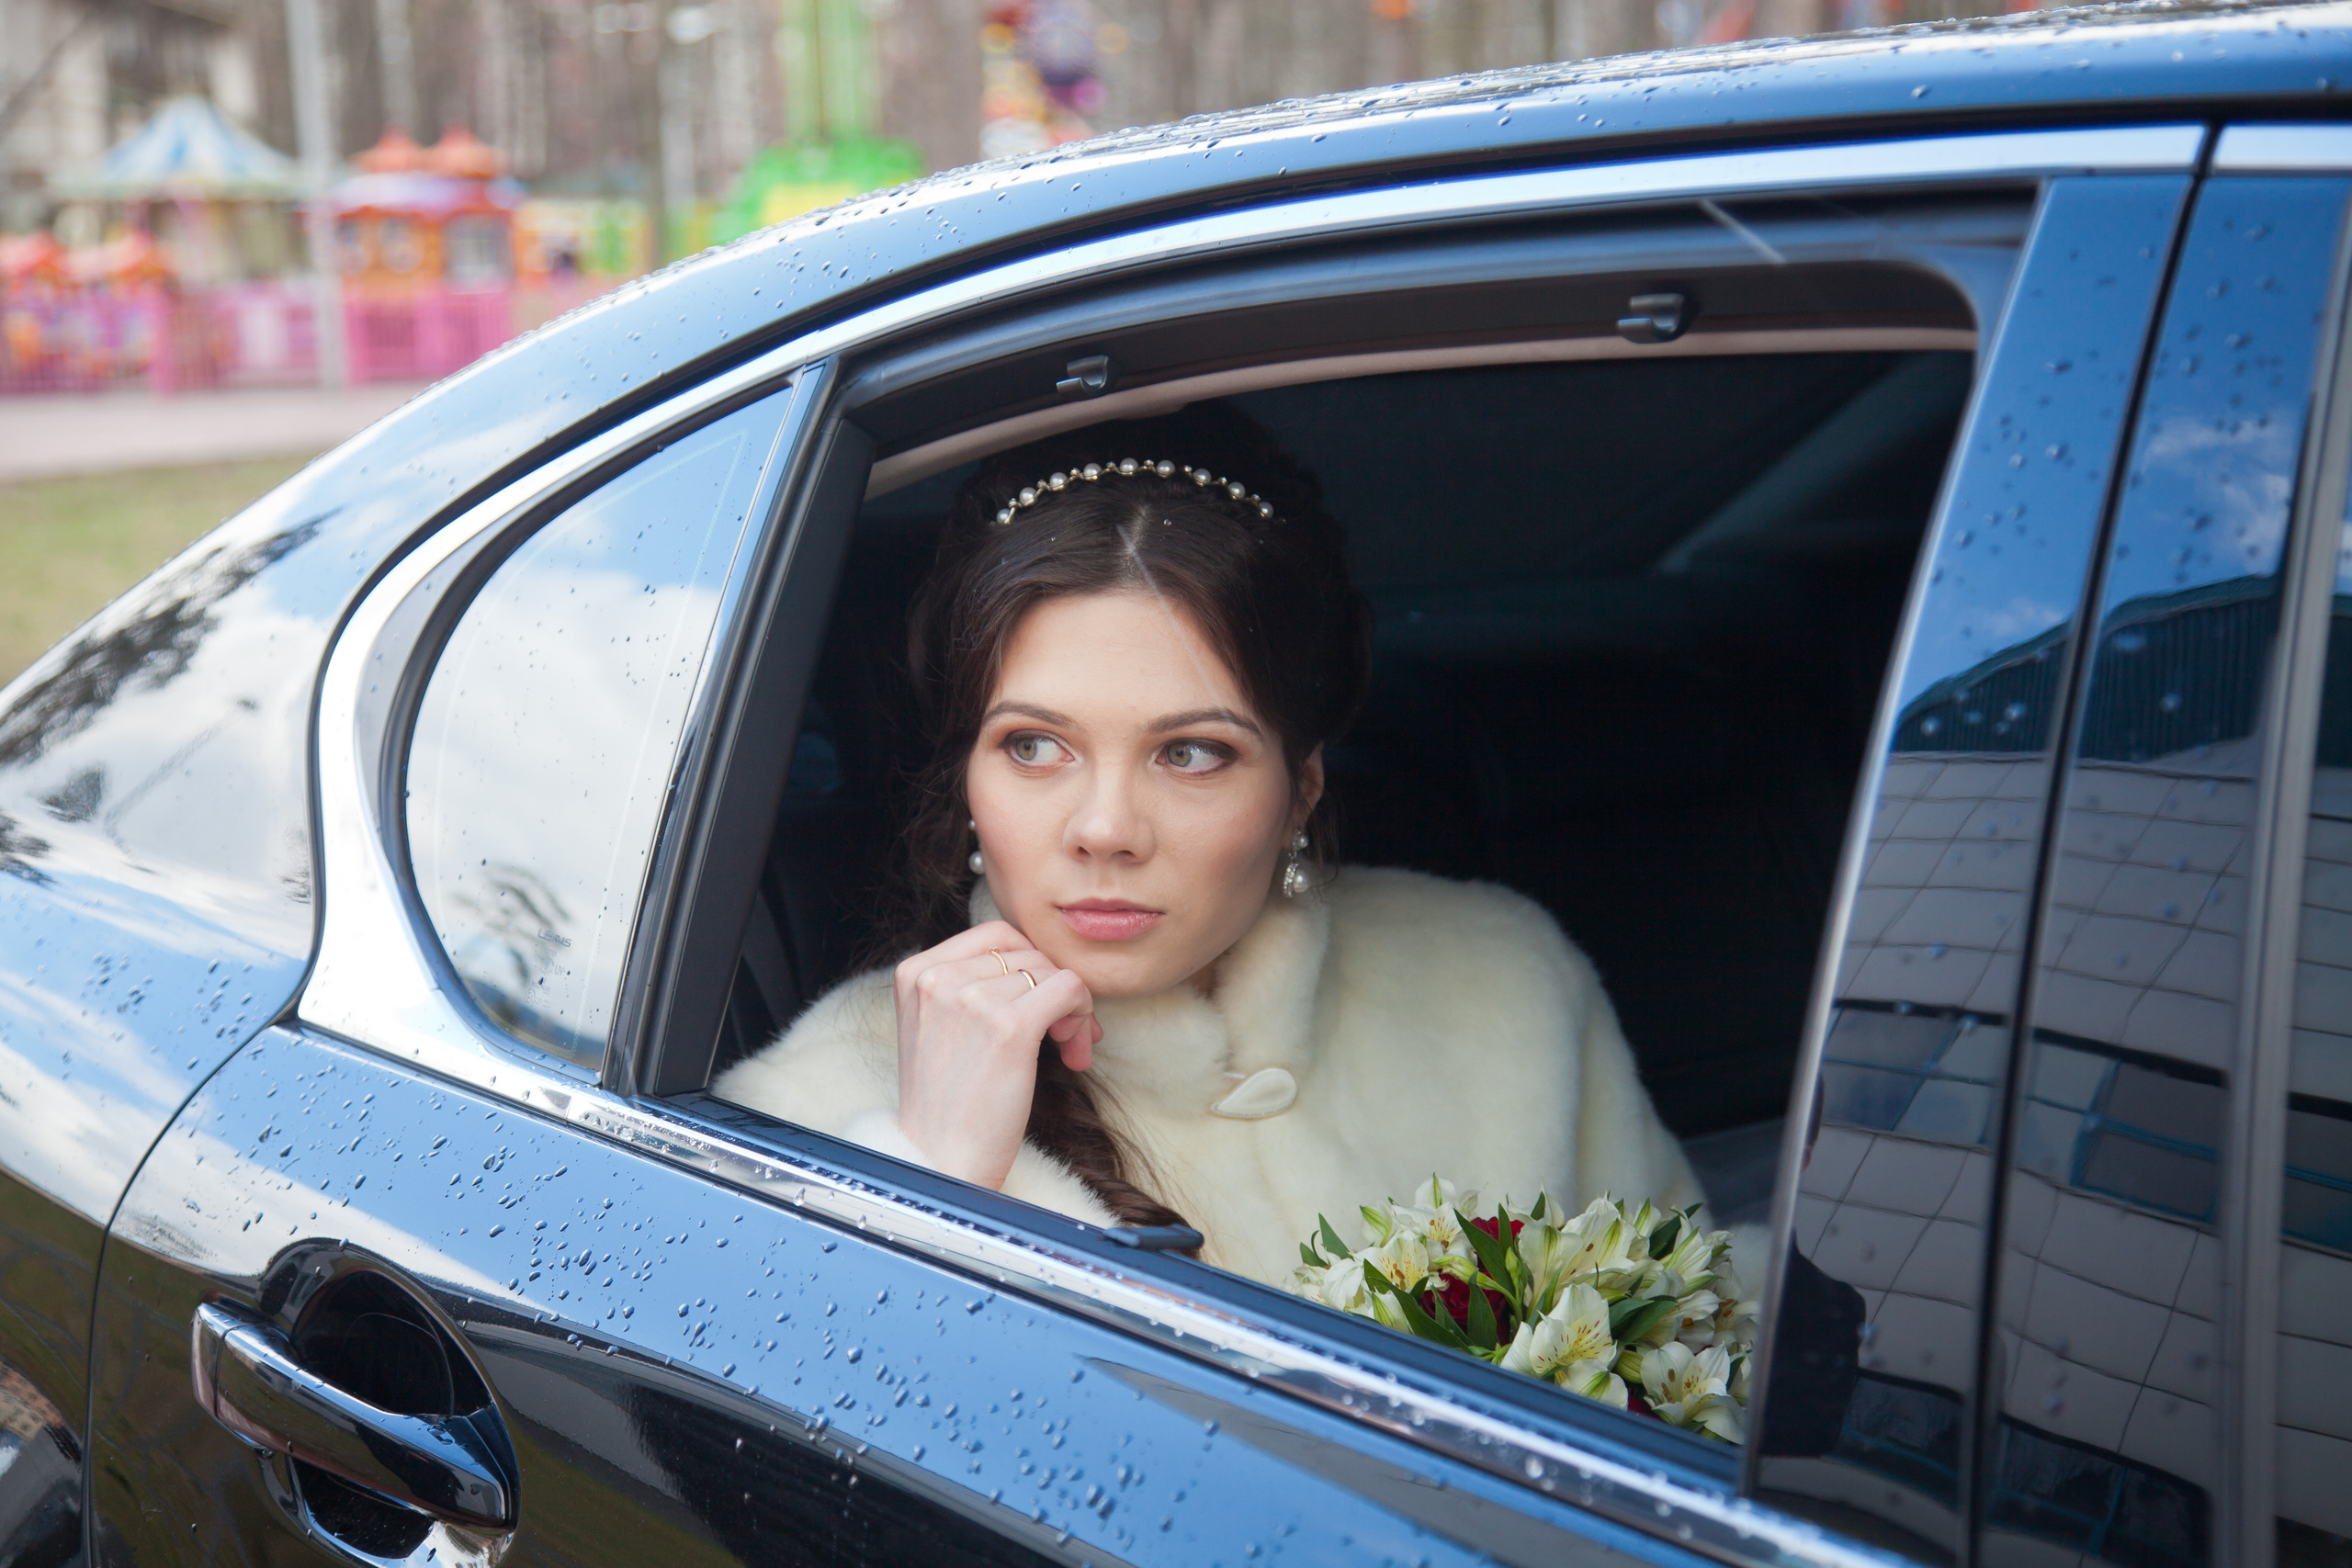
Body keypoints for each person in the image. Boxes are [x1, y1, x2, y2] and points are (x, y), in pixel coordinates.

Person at [716, 406, 1702, 1286]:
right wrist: (932, 1169)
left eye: (1189, 753)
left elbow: (1701, 1343)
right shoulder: (815, 1104)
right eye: (1033, 746)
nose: (1104, 830)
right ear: (968, 780)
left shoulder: (1501, 980)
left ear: (1299, 789)